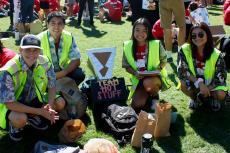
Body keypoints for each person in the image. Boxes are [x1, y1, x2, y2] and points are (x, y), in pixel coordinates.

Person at [0, 34, 66, 141]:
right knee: (20, 119)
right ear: (20, 50)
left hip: (35, 98)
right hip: (12, 104)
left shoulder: (45, 61)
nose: (31, 53)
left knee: (60, 103)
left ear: (40, 51)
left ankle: (32, 115)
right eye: (27, 50)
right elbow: (10, 103)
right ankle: (15, 126)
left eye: (35, 50)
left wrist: (49, 106)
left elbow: (52, 84)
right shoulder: (7, 71)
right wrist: (40, 111)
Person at [122, 18, 170, 112]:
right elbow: (126, 66)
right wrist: (135, 73)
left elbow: (164, 60)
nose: (140, 33)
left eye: (144, 31)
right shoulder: (127, 45)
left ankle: (155, 96)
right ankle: (147, 94)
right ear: (133, 30)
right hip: (138, 79)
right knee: (137, 104)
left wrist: (158, 69)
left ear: (149, 32)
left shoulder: (156, 44)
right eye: (137, 30)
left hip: (154, 78)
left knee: (148, 83)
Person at [177, 22, 228, 112]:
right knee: (183, 84)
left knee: (221, 94)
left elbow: (221, 78)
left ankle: (214, 99)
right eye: (194, 36)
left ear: (207, 35)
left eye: (201, 35)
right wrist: (199, 84)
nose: (197, 38)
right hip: (195, 82)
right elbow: (183, 70)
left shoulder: (216, 54)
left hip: (212, 84)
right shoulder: (184, 50)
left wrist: (206, 88)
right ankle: (194, 98)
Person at [37, 11, 85, 86]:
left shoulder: (68, 37)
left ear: (64, 26)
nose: (56, 27)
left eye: (60, 23)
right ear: (47, 25)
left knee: (80, 74)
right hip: (45, 74)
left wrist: (63, 73)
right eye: (53, 23)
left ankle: (64, 90)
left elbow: (76, 60)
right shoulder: (38, 39)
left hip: (63, 70)